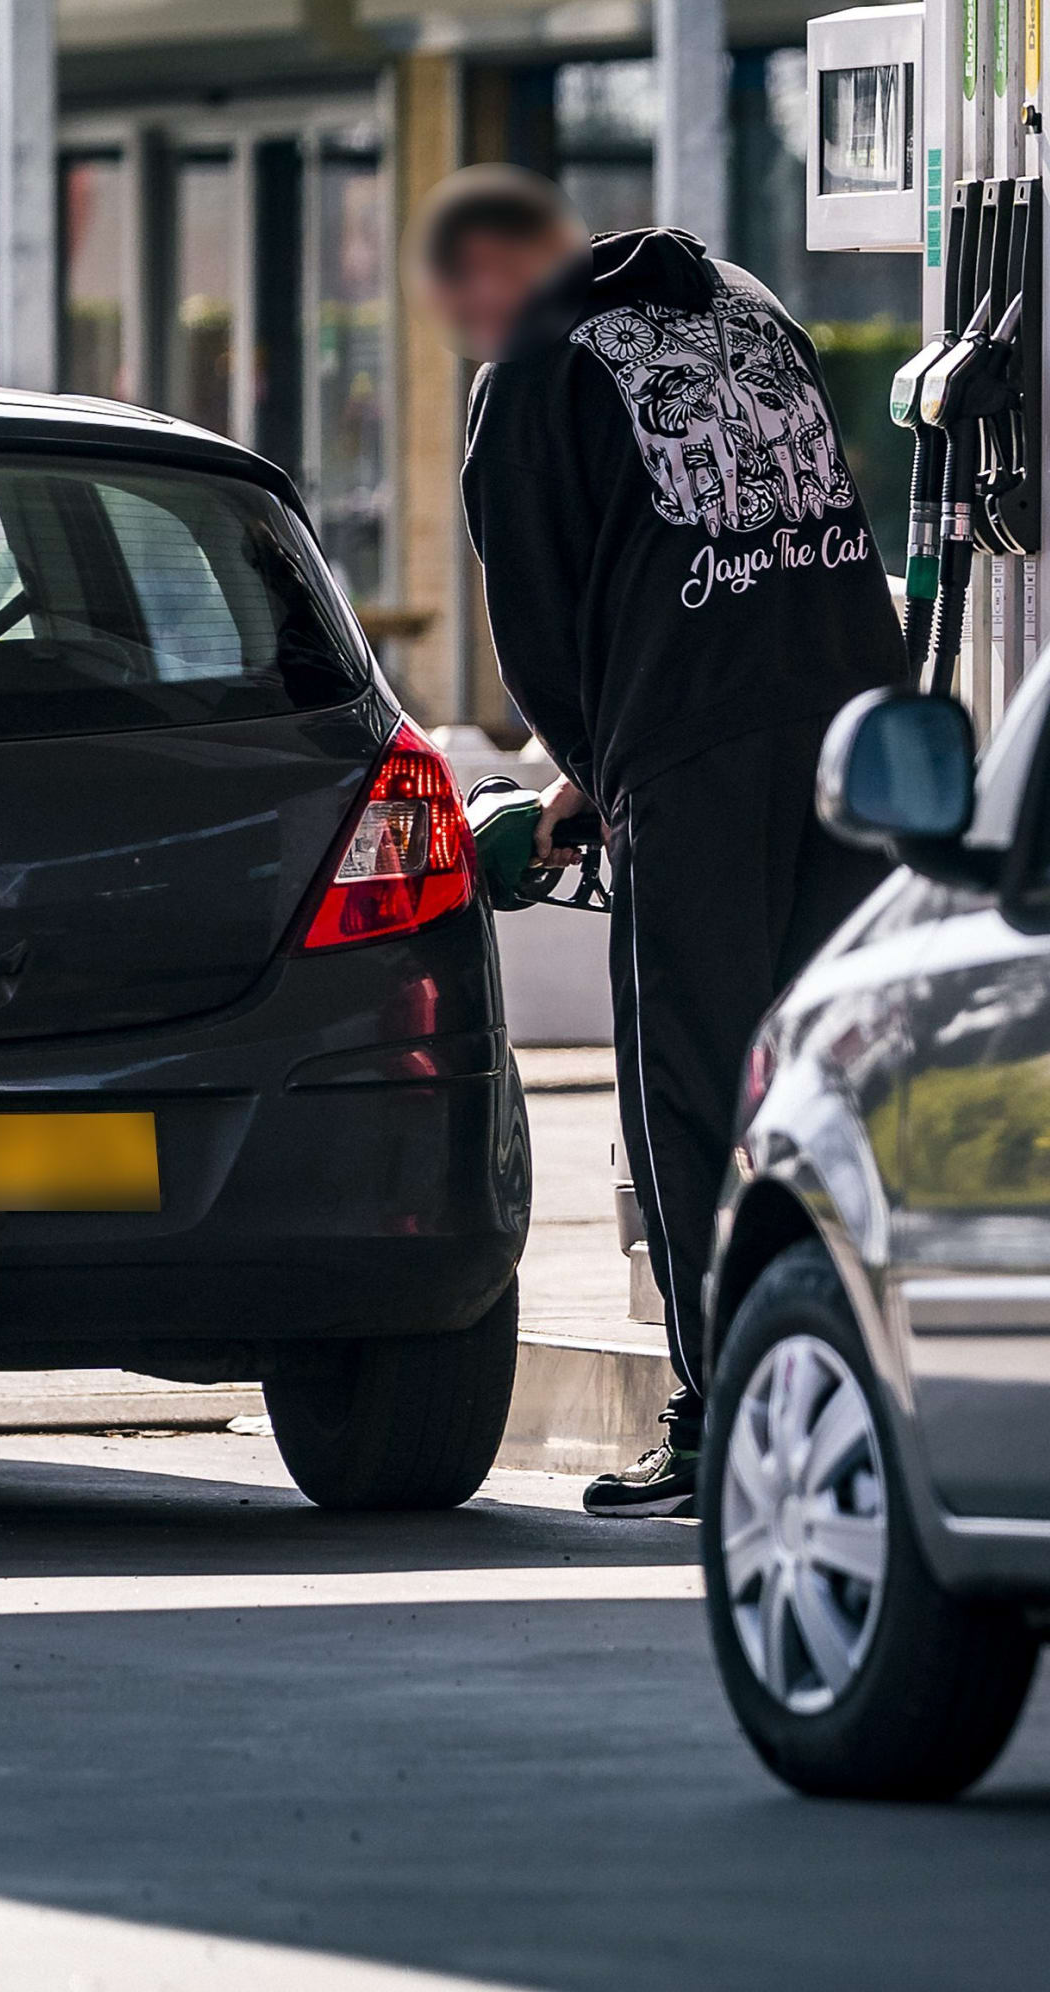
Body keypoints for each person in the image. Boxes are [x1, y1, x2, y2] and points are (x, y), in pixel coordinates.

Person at [413, 165, 905, 1516]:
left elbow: (536, 624)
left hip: (691, 759)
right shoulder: (747, 307)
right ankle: (854, 1385)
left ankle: (724, 1423)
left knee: (691, 1092)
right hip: (861, 735)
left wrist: (594, 770)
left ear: (480, 280)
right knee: (827, 1080)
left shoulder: (525, 371)